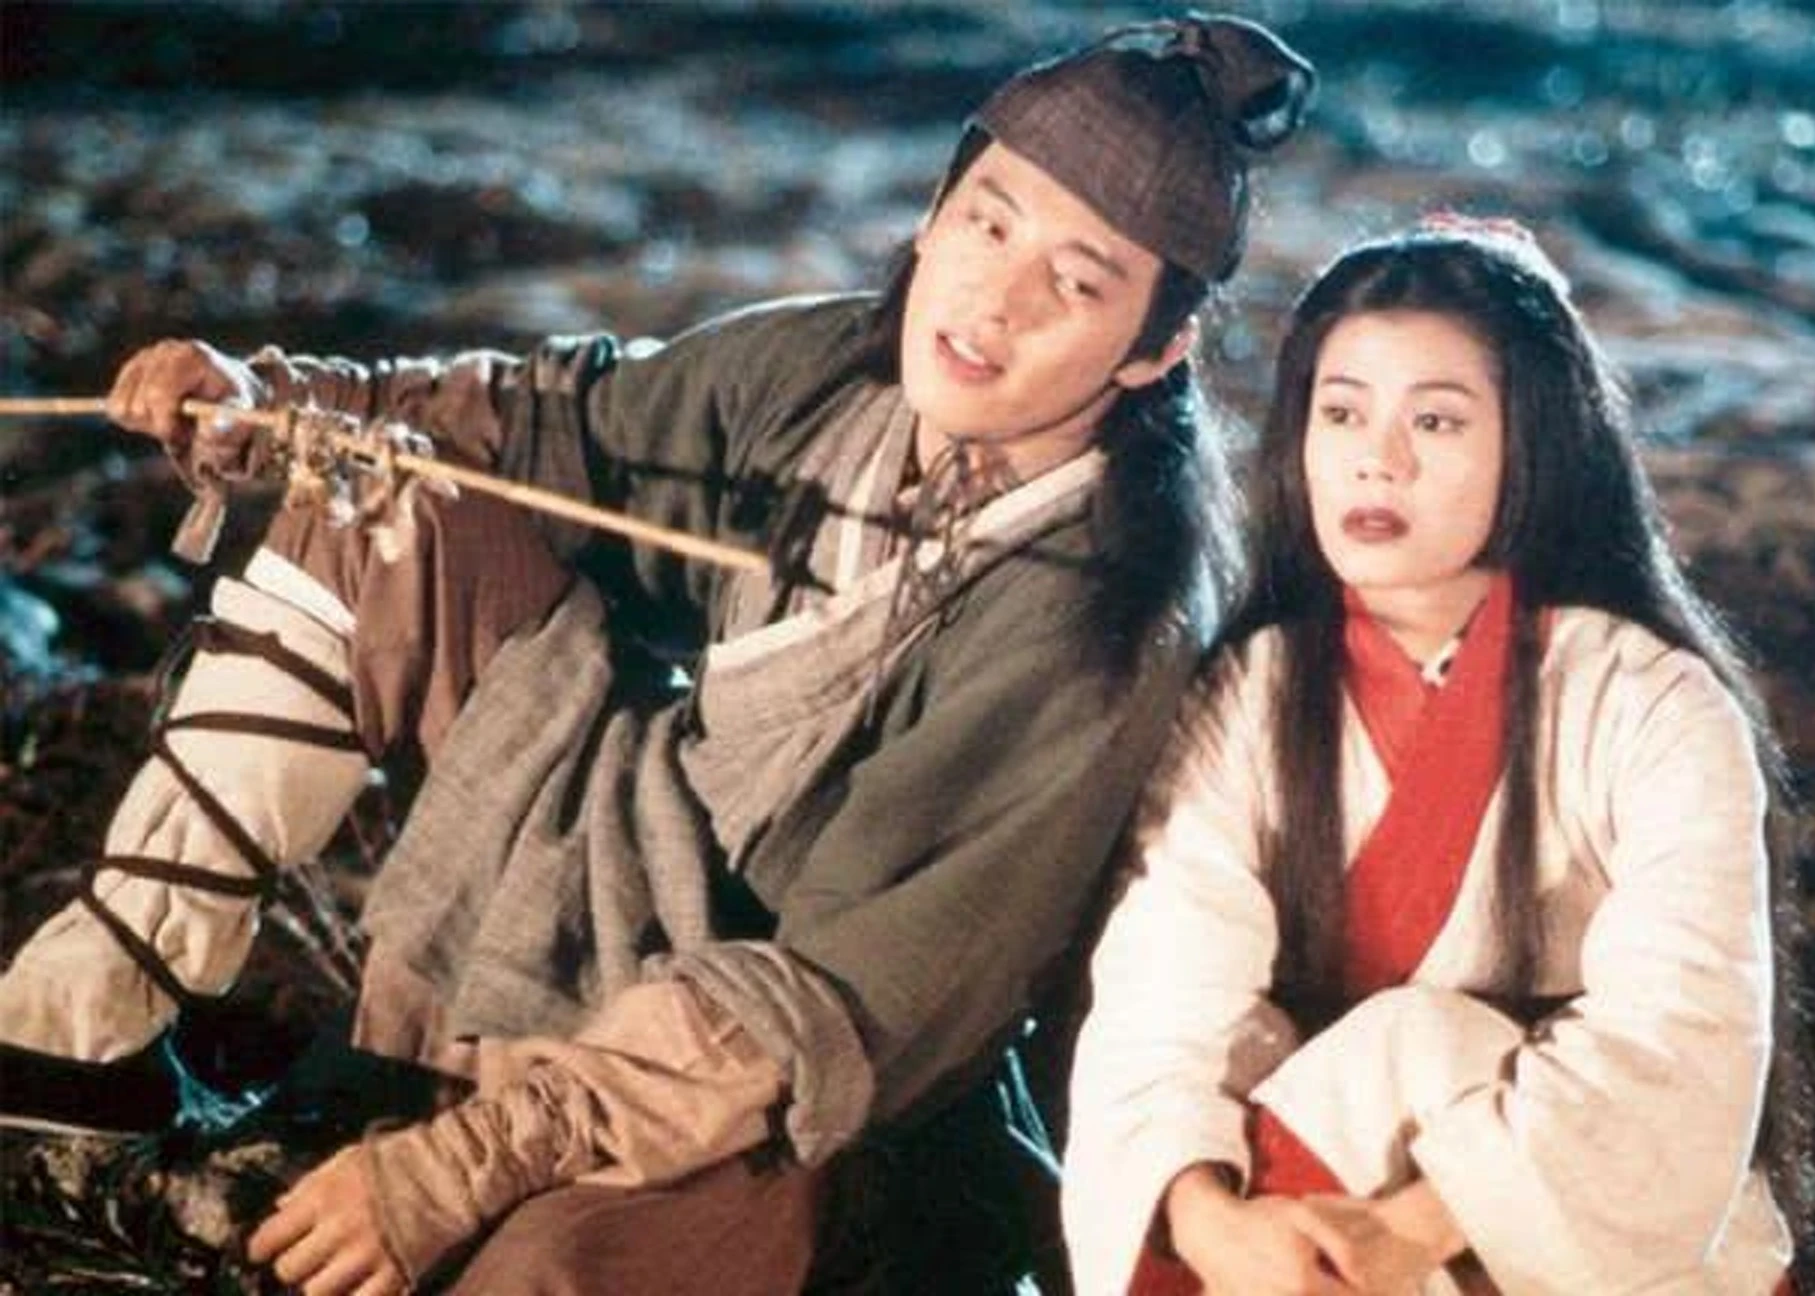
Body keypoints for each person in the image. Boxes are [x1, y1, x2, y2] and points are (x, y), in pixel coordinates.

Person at [0, 15, 1317, 1295]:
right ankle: (81, 1034)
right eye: (989, 221)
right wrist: (281, 401)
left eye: (1078, 283)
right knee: (375, 499)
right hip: (644, 859)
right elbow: (540, 420)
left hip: (821, 1087)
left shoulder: (1101, 626)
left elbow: (842, 1004)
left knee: (534, 1266)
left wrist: (459, 1165)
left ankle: (497, 1105)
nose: (996, 300)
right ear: (934, 212)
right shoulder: (829, 372)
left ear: (1157, 349)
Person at [1060, 217, 1802, 1295]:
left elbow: (1680, 1043)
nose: (1379, 458)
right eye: (1342, 412)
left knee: (1406, 1047)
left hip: (1594, 1250)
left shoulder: (1654, 705)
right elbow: (1163, 995)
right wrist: (1205, 1219)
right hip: (1305, 1217)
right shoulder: (1249, 697)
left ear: (1532, 446)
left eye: (1437, 420)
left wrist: (1409, 1229)